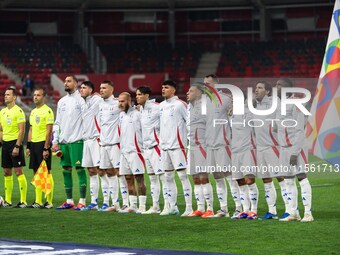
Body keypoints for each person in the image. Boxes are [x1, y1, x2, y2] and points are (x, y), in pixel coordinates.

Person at [276, 78, 313, 222]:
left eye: (280, 85)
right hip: (284, 148)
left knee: (302, 178)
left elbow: (299, 129)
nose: (277, 87)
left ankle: (308, 213)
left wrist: (295, 152)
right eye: (276, 84)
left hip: (296, 147)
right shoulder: (278, 103)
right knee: (288, 181)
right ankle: (293, 212)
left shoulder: (297, 102)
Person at [204, 74, 241, 218]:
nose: (206, 86)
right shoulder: (203, 100)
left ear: (216, 84)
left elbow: (238, 113)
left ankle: (238, 208)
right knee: (217, 177)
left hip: (223, 142)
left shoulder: (226, 98)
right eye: (205, 83)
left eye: (209, 83)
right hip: (209, 145)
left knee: (230, 176)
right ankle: (223, 209)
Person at [252, 81, 288, 220]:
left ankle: (290, 209)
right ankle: (272, 211)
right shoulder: (255, 106)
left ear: (267, 91)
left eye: (260, 88)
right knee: (266, 180)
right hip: (260, 148)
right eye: (256, 87)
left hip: (273, 146)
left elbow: (283, 117)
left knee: (281, 178)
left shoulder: (274, 102)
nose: (256, 90)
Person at [52, 75, 87, 210]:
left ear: (76, 84)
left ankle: (82, 201)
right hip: (64, 142)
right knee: (66, 169)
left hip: (77, 141)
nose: (66, 83)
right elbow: (57, 123)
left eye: (69, 81)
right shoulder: (61, 101)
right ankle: (69, 201)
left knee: (79, 169)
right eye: (65, 81)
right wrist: (55, 141)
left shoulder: (81, 100)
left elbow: (86, 120)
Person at [159, 79, 193, 216]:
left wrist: (189, 141)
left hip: (178, 146)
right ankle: (172, 207)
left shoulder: (180, 105)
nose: (163, 89)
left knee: (183, 176)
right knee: (168, 177)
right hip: (165, 147)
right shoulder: (160, 106)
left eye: (166, 87)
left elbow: (190, 122)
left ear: (173, 90)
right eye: (162, 87)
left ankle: (189, 207)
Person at [136, 86, 167, 214]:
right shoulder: (141, 110)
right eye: (136, 94)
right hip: (146, 149)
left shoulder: (157, 107)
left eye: (139, 94)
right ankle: (155, 206)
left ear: (147, 96)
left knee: (163, 178)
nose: (137, 97)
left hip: (156, 147)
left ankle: (169, 206)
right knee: (152, 178)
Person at [97, 80, 127, 212]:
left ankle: (126, 203)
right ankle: (115, 203)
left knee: (120, 172)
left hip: (116, 143)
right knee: (108, 172)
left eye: (104, 88)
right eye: (100, 88)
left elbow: (129, 110)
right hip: (103, 144)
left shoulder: (117, 103)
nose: (101, 90)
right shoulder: (99, 104)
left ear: (111, 90)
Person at [186, 83, 214, 218]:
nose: (187, 93)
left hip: (202, 145)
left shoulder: (206, 105)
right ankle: (200, 208)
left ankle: (210, 208)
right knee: (195, 178)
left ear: (198, 93)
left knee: (203, 177)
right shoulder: (189, 107)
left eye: (191, 91)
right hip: (190, 146)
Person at [229, 97, 259, 220]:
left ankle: (254, 210)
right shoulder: (231, 114)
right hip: (235, 151)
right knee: (239, 181)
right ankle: (245, 210)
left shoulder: (250, 112)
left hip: (248, 149)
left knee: (249, 180)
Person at [118, 92, 147, 213]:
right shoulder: (121, 116)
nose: (120, 104)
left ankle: (142, 206)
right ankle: (133, 205)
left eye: (123, 101)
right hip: (124, 152)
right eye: (119, 101)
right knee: (128, 178)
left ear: (129, 101)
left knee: (139, 178)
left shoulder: (138, 114)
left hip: (136, 151)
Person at [26, 88, 54, 209]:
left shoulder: (48, 111)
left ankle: (49, 201)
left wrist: (46, 148)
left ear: (44, 97)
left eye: (38, 95)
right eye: (34, 95)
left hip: (43, 143)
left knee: (46, 173)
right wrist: (28, 146)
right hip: (34, 144)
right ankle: (38, 201)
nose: (35, 97)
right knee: (36, 173)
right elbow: (31, 129)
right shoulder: (33, 112)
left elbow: (49, 131)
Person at [0, 87, 27, 208]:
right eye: (5, 94)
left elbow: (22, 130)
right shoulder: (2, 112)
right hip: (5, 144)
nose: (6, 96)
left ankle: (23, 201)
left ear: (14, 97)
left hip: (15, 144)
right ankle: (8, 200)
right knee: (6, 172)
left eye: (8, 94)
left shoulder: (19, 111)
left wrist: (17, 146)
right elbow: (1, 129)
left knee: (18, 171)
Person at [79, 81, 103, 211]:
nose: (81, 90)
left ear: (91, 90)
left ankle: (107, 201)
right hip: (86, 140)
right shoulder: (83, 103)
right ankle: (93, 202)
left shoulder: (97, 100)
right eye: (80, 88)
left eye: (84, 88)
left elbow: (114, 102)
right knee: (91, 171)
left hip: (95, 139)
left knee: (101, 170)